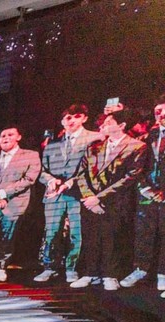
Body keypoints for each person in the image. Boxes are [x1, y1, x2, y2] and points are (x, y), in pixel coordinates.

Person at [72, 108, 146, 291]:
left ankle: (110, 275)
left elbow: (130, 177)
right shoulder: (94, 146)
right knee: (91, 237)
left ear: (121, 125)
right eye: (104, 122)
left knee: (112, 238)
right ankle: (90, 273)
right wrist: (89, 196)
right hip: (89, 203)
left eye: (109, 122)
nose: (103, 125)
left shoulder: (136, 146)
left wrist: (99, 198)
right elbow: (81, 174)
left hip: (116, 202)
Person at [35, 104, 102, 284]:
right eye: (67, 118)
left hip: (79, 193)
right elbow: (42, 170)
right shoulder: (52, 144)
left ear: (84, 118)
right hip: (54, 195)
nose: (71, 120)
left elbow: (93, 168)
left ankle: (72, 268)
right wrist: (50, 180)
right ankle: (49, 267)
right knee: (51, 232)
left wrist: (71, 182)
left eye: (76, 116)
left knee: (76, 233)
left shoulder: (95, 138)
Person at [0, 127, 41, 283]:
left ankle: (1, 267)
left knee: (7, 238)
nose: (5, 138)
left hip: (14, 203)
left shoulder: (31, 155)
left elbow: (29, 179)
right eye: (2, 135)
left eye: (10, 135)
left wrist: (3, 194)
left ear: (18, 137)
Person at [124, 96, 165, 296]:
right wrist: (144, 188)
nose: (161, 115)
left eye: (164, 111)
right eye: (158, 111)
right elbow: (139, 165)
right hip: (148, 192)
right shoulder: (150, 135)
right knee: (144, 232)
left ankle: (162, 274)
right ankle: (140, 268)